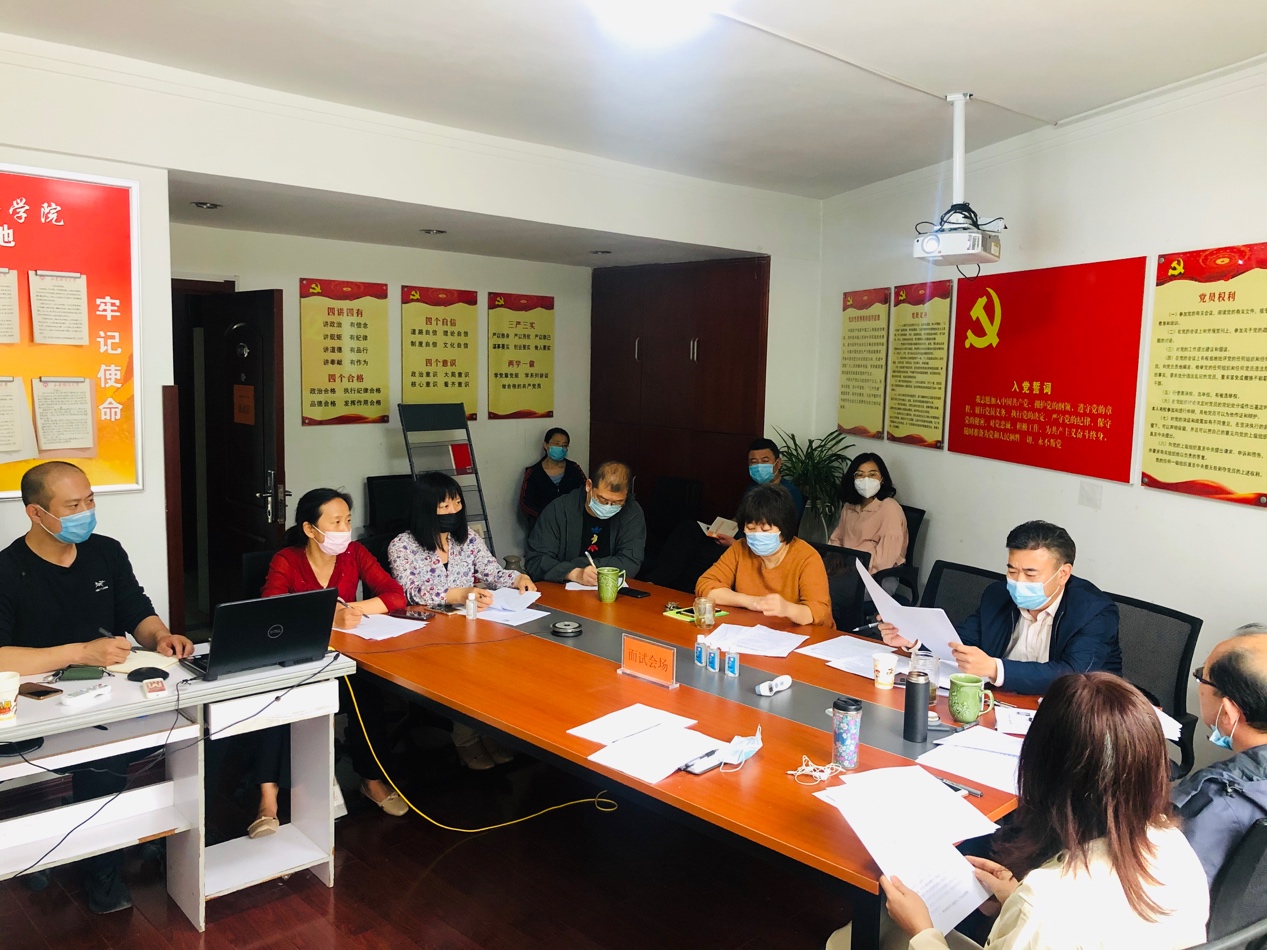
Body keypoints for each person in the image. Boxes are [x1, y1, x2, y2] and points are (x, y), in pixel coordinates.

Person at [879, 672, 1209, 950]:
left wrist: (922, 931)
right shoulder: (1176, 847)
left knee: (875, 931)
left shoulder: (1043, 902)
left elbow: (1052, 916)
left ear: (1042, 770)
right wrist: (1014, 897)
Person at [0, 461, 194, 913]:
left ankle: (165, 831)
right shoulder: (8, 570)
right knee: (104, 758)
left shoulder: (106, 551)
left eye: (89, 500)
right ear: (36, 513)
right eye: (72, 506)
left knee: (186, 727)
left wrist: (160, 636)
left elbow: (136, 610)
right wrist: (79, 652)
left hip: (112, 690)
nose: (85, 512)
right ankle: (102, 869)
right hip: (39, 701)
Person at [257, 488, 409, 834]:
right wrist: (330, 617)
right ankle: (268, 799)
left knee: (368, 694)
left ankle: (371, 780)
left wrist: (350, 609)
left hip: (345, 657)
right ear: (310, 529)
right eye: (336, 522)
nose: (344, 530)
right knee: (276, 703)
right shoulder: (287, 560)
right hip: (298, 662)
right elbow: (271, 614)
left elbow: (395, 596)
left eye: (348, 521)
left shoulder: (355, 553)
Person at [389, 472, 536, 770]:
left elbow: (492, 572)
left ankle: (489, 730)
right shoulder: (402, 546)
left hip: (469, 624)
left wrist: (518, 578)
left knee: (501, 658)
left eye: (456, 503)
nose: (453, 511)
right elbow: (409, 591)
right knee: (467, 667)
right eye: (444, 506)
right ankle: (466, 738)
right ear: (425, 508)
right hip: (423, 632)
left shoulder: (467, 538)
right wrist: (458, 593)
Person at [879, 521, 1120, 695]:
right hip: (1002, 704)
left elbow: (1075, 675)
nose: (1018, 581)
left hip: (1075, 715)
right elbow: (960, 643)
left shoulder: (1094, 611)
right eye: (1012, 571)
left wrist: (995, 669)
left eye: (1030, 574)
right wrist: (913, 640)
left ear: (1063, 574)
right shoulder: (998, 595)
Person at [1173, 624, 1267, 886]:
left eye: (1201, 676)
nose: (1199, 680)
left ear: (1228, 713)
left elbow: (1167, 889)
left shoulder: (1212, 800)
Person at [695, 484, 833, 628]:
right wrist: (751, 602)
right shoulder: (740, 548)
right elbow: (705, 585)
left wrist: (787, 609)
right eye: (751, 528)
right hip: (753, 629)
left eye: (765, 529)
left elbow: (820, 612)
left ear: (784, 528)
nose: (757, 535)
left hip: (797, 634)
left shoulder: (807, 557)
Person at [525, 460, 646, 584]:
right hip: (562, 588)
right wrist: (574, 573)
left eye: (617, 502)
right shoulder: (559, 510)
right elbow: (536, 561)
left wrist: (572, 564)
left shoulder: (631, 512)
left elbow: (631, 562)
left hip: (611, 588)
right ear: (589, 486)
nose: (608, 506)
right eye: (602, 499)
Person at [828, 452, 908, 574]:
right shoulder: (849, 506)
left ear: (882, 479)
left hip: (875, 575)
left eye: (872, 474)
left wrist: (851, 569)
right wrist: (835, 559)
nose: (866, 480)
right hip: (846, 568)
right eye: (860, 475)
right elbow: (837, 539)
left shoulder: (889, 508)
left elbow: (884, 561)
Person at [517, 426, 587, 533]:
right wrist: (546, 516)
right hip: (542, 527)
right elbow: (525, 504)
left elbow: (586, 492)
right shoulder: (534, 472)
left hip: (571, 524)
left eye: (564, 445)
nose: (561, 448)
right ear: (546, 445)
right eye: (556, 444)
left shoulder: (574, 468)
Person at [747, 437, 805, 522]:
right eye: (754, 462)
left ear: (778, 463)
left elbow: (787, 526)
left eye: (765, 461)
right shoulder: (752, 488)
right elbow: (741, 517)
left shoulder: (790, 493)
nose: (759, 466)